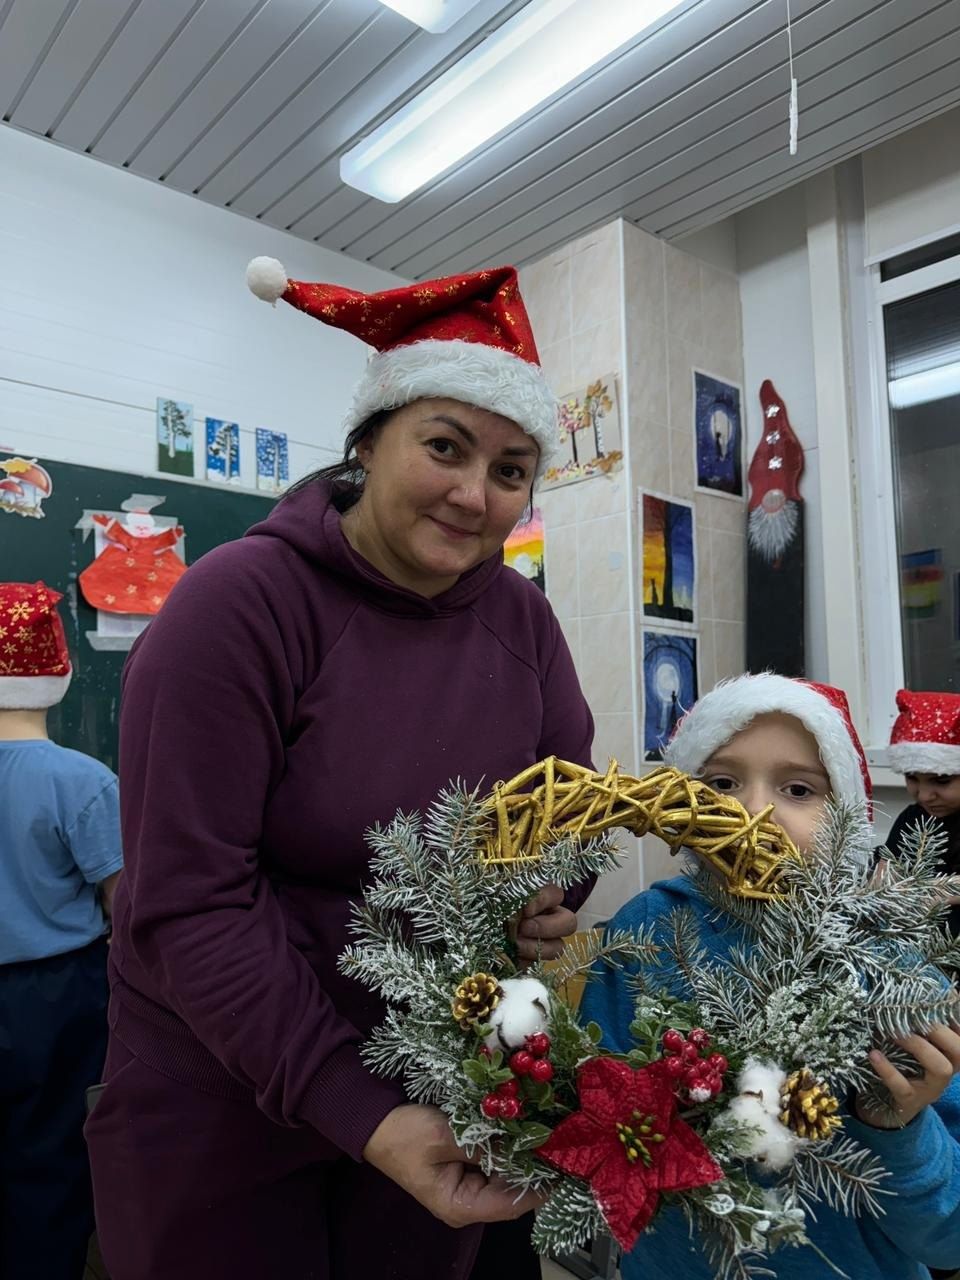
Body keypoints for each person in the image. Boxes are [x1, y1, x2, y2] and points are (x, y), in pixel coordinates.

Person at [85, 263, 595, 1280]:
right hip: (218, 1092)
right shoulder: (238, 605)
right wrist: (357, 1106)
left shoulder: (522, 622)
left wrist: (551, 888)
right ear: (368, 443)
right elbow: (190, 902)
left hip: (432, 1068)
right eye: (444, 446)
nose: (473, 492)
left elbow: (565, 804)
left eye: (511, 468)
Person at [581, 672, 960, 1280]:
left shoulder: (893, 970)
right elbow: (592, 1112)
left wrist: (902, 1127)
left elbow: (950, 1241)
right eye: (722, 783)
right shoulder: (646, 928)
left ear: (847, 824)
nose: (754, 811)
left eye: (799, 789)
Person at [0, 581, 122, 1280]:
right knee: (48, 1161)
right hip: (56, 1000)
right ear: (60, 671)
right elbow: (124, 904)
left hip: (48, 992)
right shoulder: (83, 782)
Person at [886, 689, 960, 939]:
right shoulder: (913, 818)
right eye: (912, 778)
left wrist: (943, 891)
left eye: (941, 781)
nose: (924, 795)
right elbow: (889, 866)